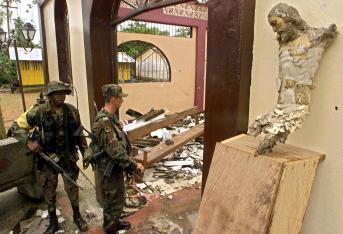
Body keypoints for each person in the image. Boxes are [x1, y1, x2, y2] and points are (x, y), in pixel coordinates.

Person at [26, 81, 88, 233]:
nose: (61, 96)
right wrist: (29, 142)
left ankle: (77, 216)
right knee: (49, 191)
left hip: (68, 157)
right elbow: (17, 128)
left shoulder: (72, 111)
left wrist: (85, 152)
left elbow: (79, 133)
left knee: (72, 188)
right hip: (47, 159)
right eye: (57, 93)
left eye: (63, 93)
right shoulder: (38, 112)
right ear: (50, 95)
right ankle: (53, 222)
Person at [87, 84, 144, 233]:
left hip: (114, 167)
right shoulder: (105, 122)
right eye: (120, 98)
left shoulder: (110, 120)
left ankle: (115, 221)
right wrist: (134, 165)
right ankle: (110, 227)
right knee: (111, 199)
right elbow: (116, 152)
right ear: (113, 99)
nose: (122, 101)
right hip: (109, 169)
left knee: (117, 197)